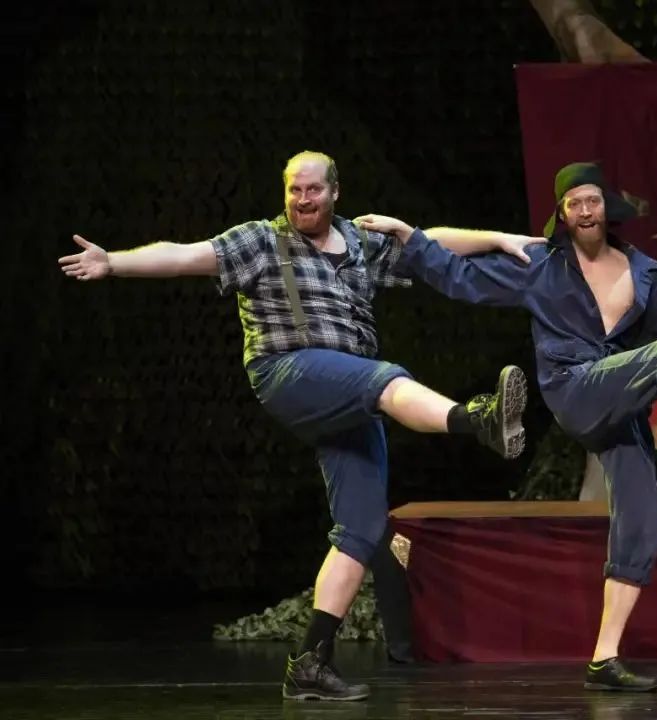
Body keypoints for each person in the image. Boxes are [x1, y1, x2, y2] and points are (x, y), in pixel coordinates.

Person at [58, 150, 543, 702]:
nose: (303, 200)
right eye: (294, 190)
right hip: (290, 371)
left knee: (361, 528)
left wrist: (498, 238)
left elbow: (427, 243)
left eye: (313, 190)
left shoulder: (358, 241)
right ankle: (477, 419)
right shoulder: (262, 241)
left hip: (351, 391)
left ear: (335, 192)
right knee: (386, 379)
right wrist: (113, 262)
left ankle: (310, 661)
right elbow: (185, 254)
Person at [357, 161, 657, 691]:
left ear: (607, 207)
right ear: (562, 213)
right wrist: (417, 234)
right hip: (572, 388)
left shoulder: (642, 272)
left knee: (642, 510)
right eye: (573, 203)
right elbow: (454, 273)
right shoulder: (542, 265)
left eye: (592, 201)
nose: (584, 211)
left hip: (616, 401)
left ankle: (604, 658)